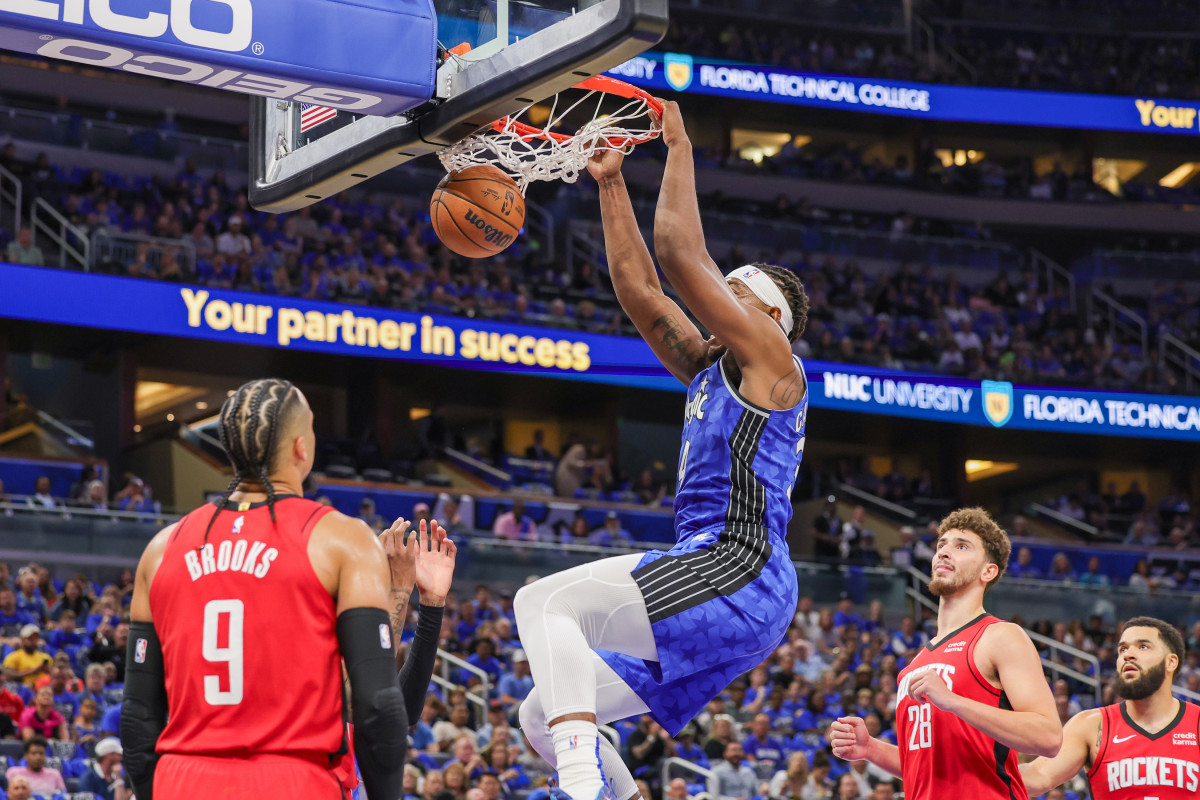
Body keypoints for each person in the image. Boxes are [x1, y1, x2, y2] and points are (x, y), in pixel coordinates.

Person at [515, 101, 809, 800]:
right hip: (723, 584)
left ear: (767, 318)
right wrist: (611, 181)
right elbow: (642, 289)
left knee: (543, 604)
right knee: (539, 713)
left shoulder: (776, 361)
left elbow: (678, 255)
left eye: (728, 294)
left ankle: (582, 789)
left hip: (738, 566)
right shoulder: (712, 369)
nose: (711, 305)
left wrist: (678, 143)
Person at [120, 378, 452, 800]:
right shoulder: (339, 538)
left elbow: (137, 718)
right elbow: (377, 708)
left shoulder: (160, 549)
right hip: (292, 778)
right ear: (301, 447)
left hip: (183, 777)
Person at [830, 507, 1062, 800]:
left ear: (987, 571)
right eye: (941, 544)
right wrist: (870, 748)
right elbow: (926, 765)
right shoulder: (915, 664)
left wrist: (953, 702)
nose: (944, 551)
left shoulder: (1000, 636)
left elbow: (1049, 737)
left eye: (961, 546)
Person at [1019, 616, 1199, 799]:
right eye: (1123, 649)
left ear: (1171, 662)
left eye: (1143, 646)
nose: (1127, 654)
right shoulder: (1091, 725)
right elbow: (1039, 776)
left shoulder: (1196, 723)